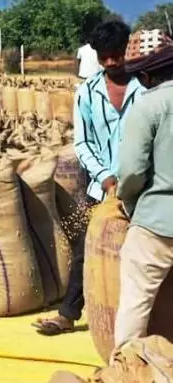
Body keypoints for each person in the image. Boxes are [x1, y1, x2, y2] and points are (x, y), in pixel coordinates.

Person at [34, 20, 142, 336]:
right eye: (104, 57)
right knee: (88, 248)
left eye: (116, 55)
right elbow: (83, 143)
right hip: (101, 187)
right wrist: (107, 180)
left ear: (127, 50)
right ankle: (68, 314)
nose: (111, 62)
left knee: (147, 251)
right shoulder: (87, 93)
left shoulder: (145, 86)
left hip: (144, 187)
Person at [113, 31, 173, 350]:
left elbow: (132, 171)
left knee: (135, 303)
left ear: (146, 76)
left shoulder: (148, 106)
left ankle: (128, 368)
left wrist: (128, 203)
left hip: (156, 225)